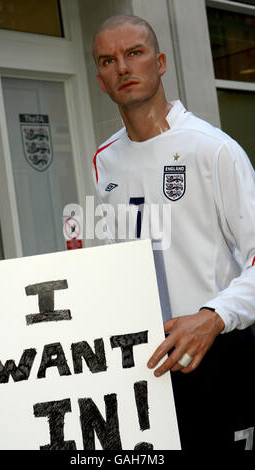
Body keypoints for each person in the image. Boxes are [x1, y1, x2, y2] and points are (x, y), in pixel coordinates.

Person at [92, 14, 255, 450]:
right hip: (144, 363)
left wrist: (214, 317)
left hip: (216, 353)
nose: (122, 68)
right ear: (101, 80)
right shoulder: (104, 161)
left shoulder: (214, 149)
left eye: (134, 53)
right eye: (108, 61)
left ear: (160, 62)